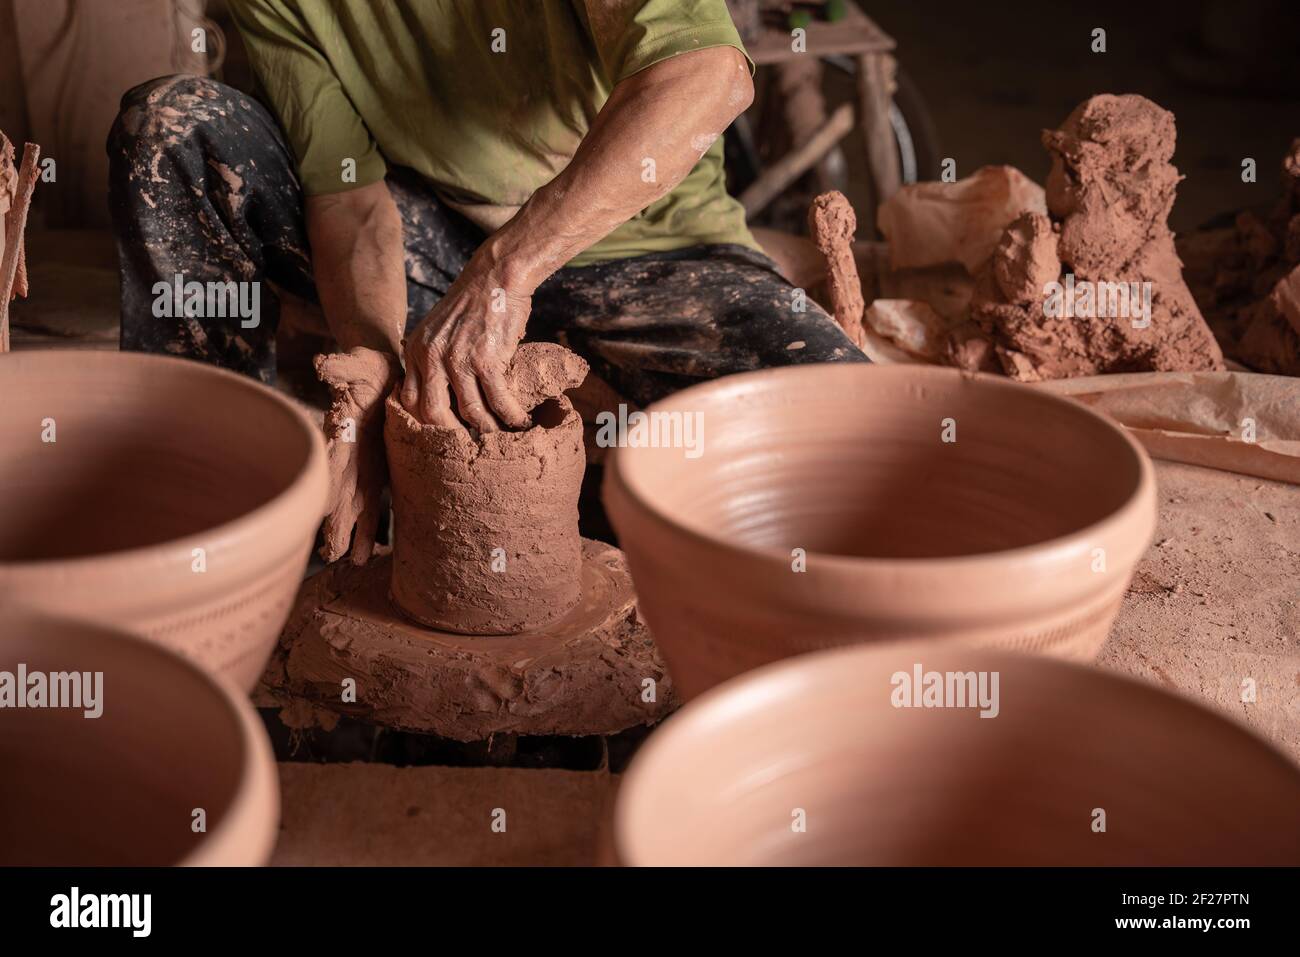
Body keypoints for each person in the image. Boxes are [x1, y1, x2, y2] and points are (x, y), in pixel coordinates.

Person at [108, 0, 864, 558]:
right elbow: (348, 196)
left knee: (856, 443)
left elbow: (707, 78)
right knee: (173, 126)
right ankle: (210, 542)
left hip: (646, 248)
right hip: (435, 239)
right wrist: (369, 359)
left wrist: (507, 271)